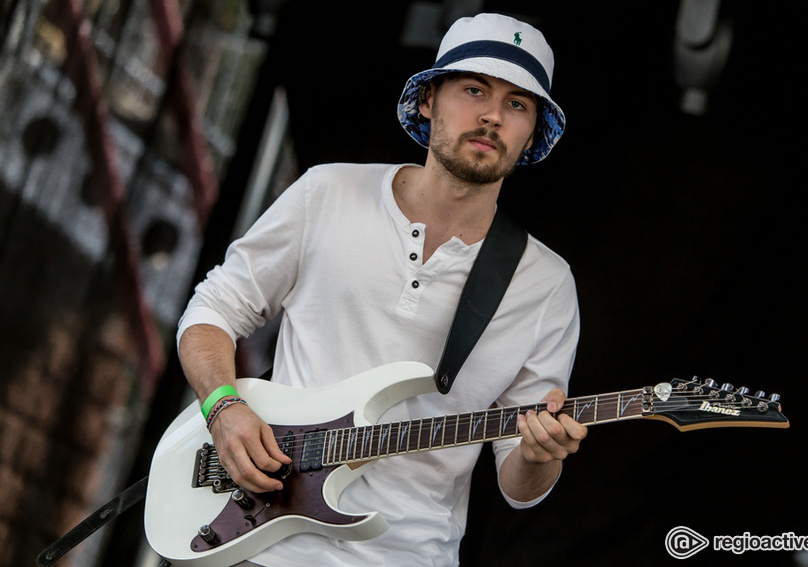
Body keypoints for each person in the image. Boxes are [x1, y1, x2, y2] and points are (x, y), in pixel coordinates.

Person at [176, 12, 587, 567]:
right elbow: (211, 311)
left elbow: (520, 486)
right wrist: (224, 408)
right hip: (255, 542)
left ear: (532, 132)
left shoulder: (546, 285)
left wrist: (541, 456)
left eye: (518, 104)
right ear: (428, 100)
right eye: (474, 90)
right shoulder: (328, 191)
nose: (492, 115)